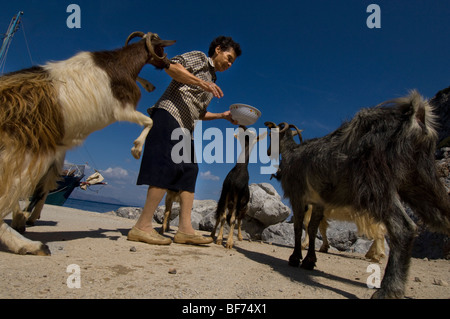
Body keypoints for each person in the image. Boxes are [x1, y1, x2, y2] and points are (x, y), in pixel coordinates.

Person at [127, 36, 242, 245]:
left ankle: (185, 230)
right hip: (169, 114)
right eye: (229, 57)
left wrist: (222, 116)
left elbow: (199, 112)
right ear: (217, 49)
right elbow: (170, 67)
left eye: (233, 62)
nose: (230, 63)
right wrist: (201, 83)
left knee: (190, 170)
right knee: (166, 167)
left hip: (186, 125)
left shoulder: (212, 80)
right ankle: (142, 226)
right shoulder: (199, 58)